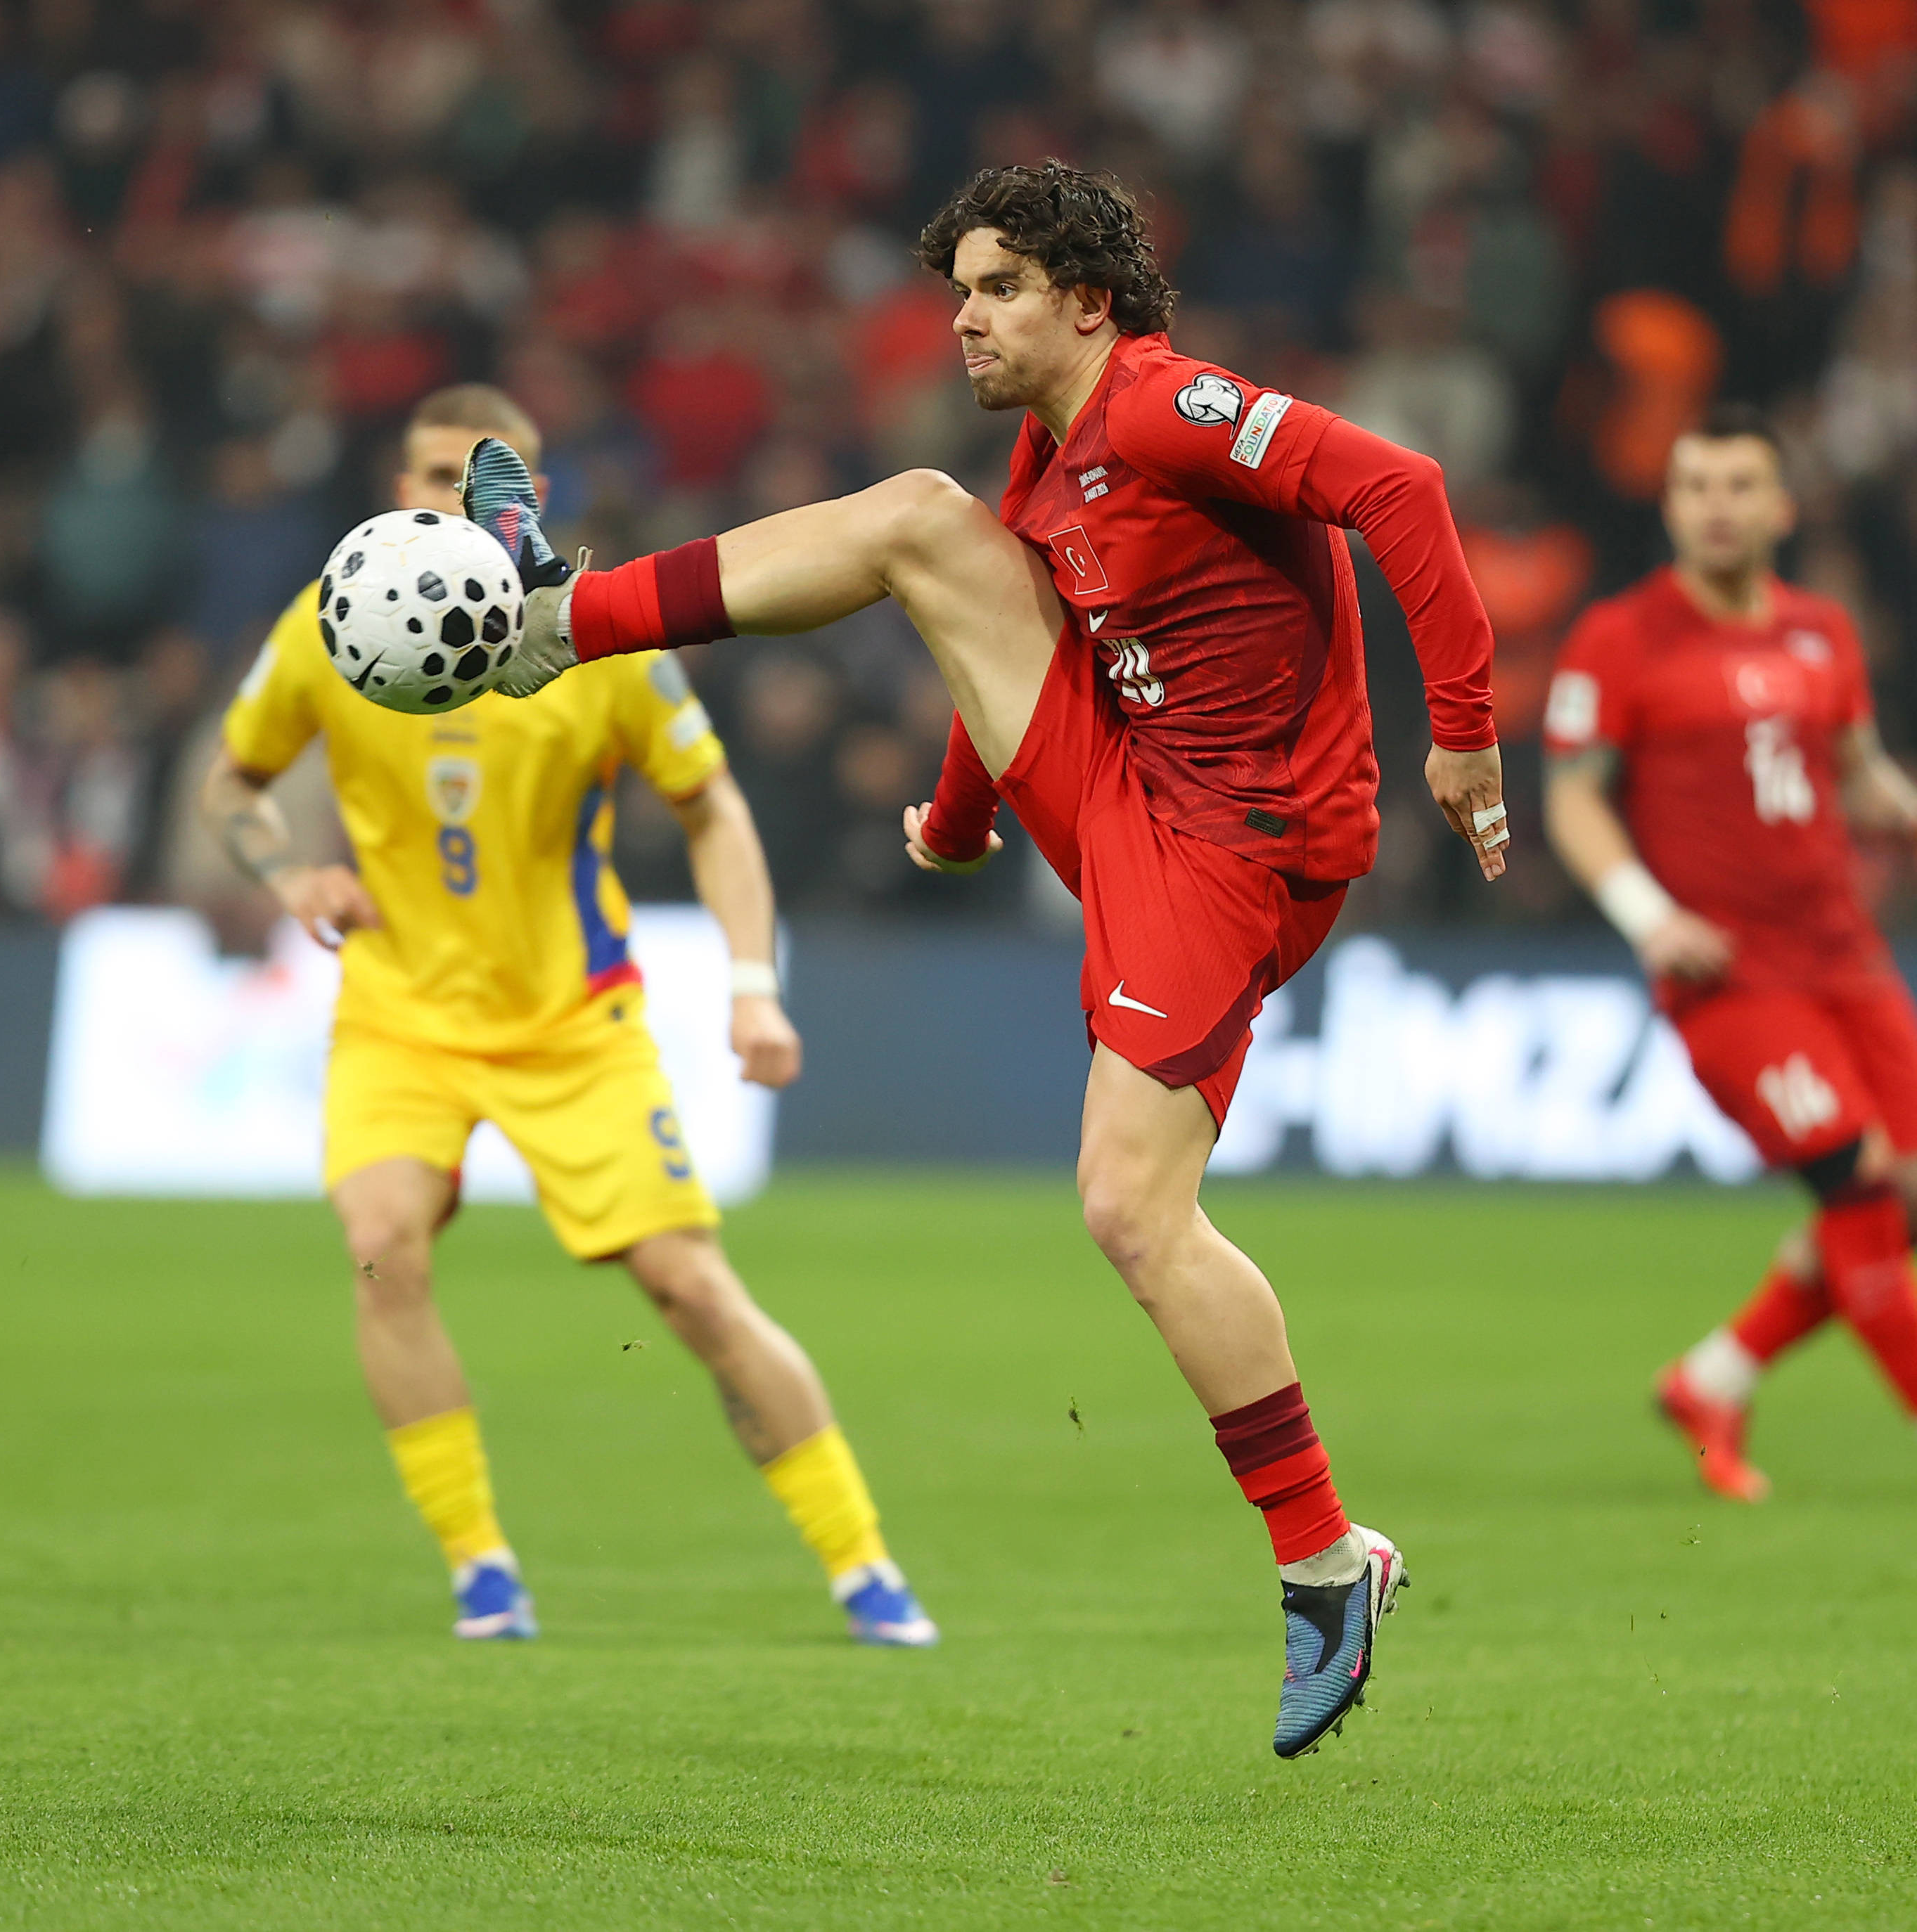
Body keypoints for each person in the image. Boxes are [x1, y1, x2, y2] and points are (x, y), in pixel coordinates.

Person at [463, 162, 1508, 1756]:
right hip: (1142, 801)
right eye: (957, 289)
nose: (963, 318)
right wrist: (959, 818)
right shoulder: (1047, 464)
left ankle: (1321, 1558)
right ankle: (560, 620)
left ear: (1089, 301)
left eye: (999, 287)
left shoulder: (1167, 405)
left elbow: (1404, 489)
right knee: (926, 528)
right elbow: (1016, 649)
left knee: (1127, 1213)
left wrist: (1468, 739)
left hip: (1243, 850)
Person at [200, 383, 935, 1647]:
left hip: (569, 1021)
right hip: (401, 1014)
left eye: (479, 479)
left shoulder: (595, 646)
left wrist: (754, 987)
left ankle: (861, 1565)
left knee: (692, 1291)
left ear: (526, 503)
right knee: (383, 1244)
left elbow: (710, 805)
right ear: (395, 483)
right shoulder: (330, 618)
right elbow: (232, 781)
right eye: (429, 473)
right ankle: (480, 1566)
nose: (448, 498)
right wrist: (285, 873)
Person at [1541, 404, 1917, 1515]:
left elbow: (1853, 765)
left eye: (1737, 486)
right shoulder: (1620, 639)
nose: (1715, 507)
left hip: (1844, 955)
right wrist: (1646, 914)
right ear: (1668, 505)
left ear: (1779, 508)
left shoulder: (1819, 630)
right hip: (1728, 976)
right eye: (1694, 487)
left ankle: (1709, 1380)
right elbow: (1573, 800)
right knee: (1858, 1184)